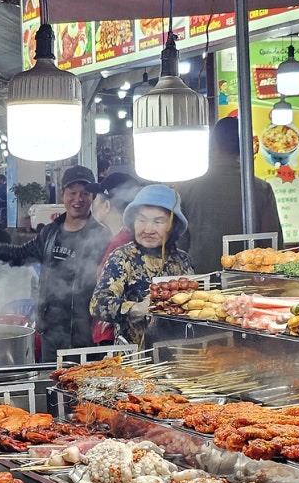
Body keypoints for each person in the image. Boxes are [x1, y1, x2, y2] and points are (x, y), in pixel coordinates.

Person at [0, 165, 110, 362]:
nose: (78, 199)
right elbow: (18, 255)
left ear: (92, 197)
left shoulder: (102, 235)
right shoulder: (50, 233)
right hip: (50, 333)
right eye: (72, 192)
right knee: (50, 387)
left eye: (84, 194)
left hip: (85, 336)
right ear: (62, 195)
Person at [175, 117, 283, 273]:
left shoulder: (187, 188)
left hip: (201, 282)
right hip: (250, 282)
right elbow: (273, 244)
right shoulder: (261, 188)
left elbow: (180, 244)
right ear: (247, 147)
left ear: (212, 146)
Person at [91, 185, 194, 345]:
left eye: (158, 221)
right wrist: (137, 308)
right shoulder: (123, 257)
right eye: (142, 220)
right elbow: (98, 304)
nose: (148, 229)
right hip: (133, 359)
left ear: (173, 226)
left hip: (178, 354)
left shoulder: (182, 260)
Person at [85, 173, 144, 344]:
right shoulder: (122, 238)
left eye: (96, 197)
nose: (93, 202)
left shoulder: (122, 243)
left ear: (106, 205)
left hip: (114, 337)